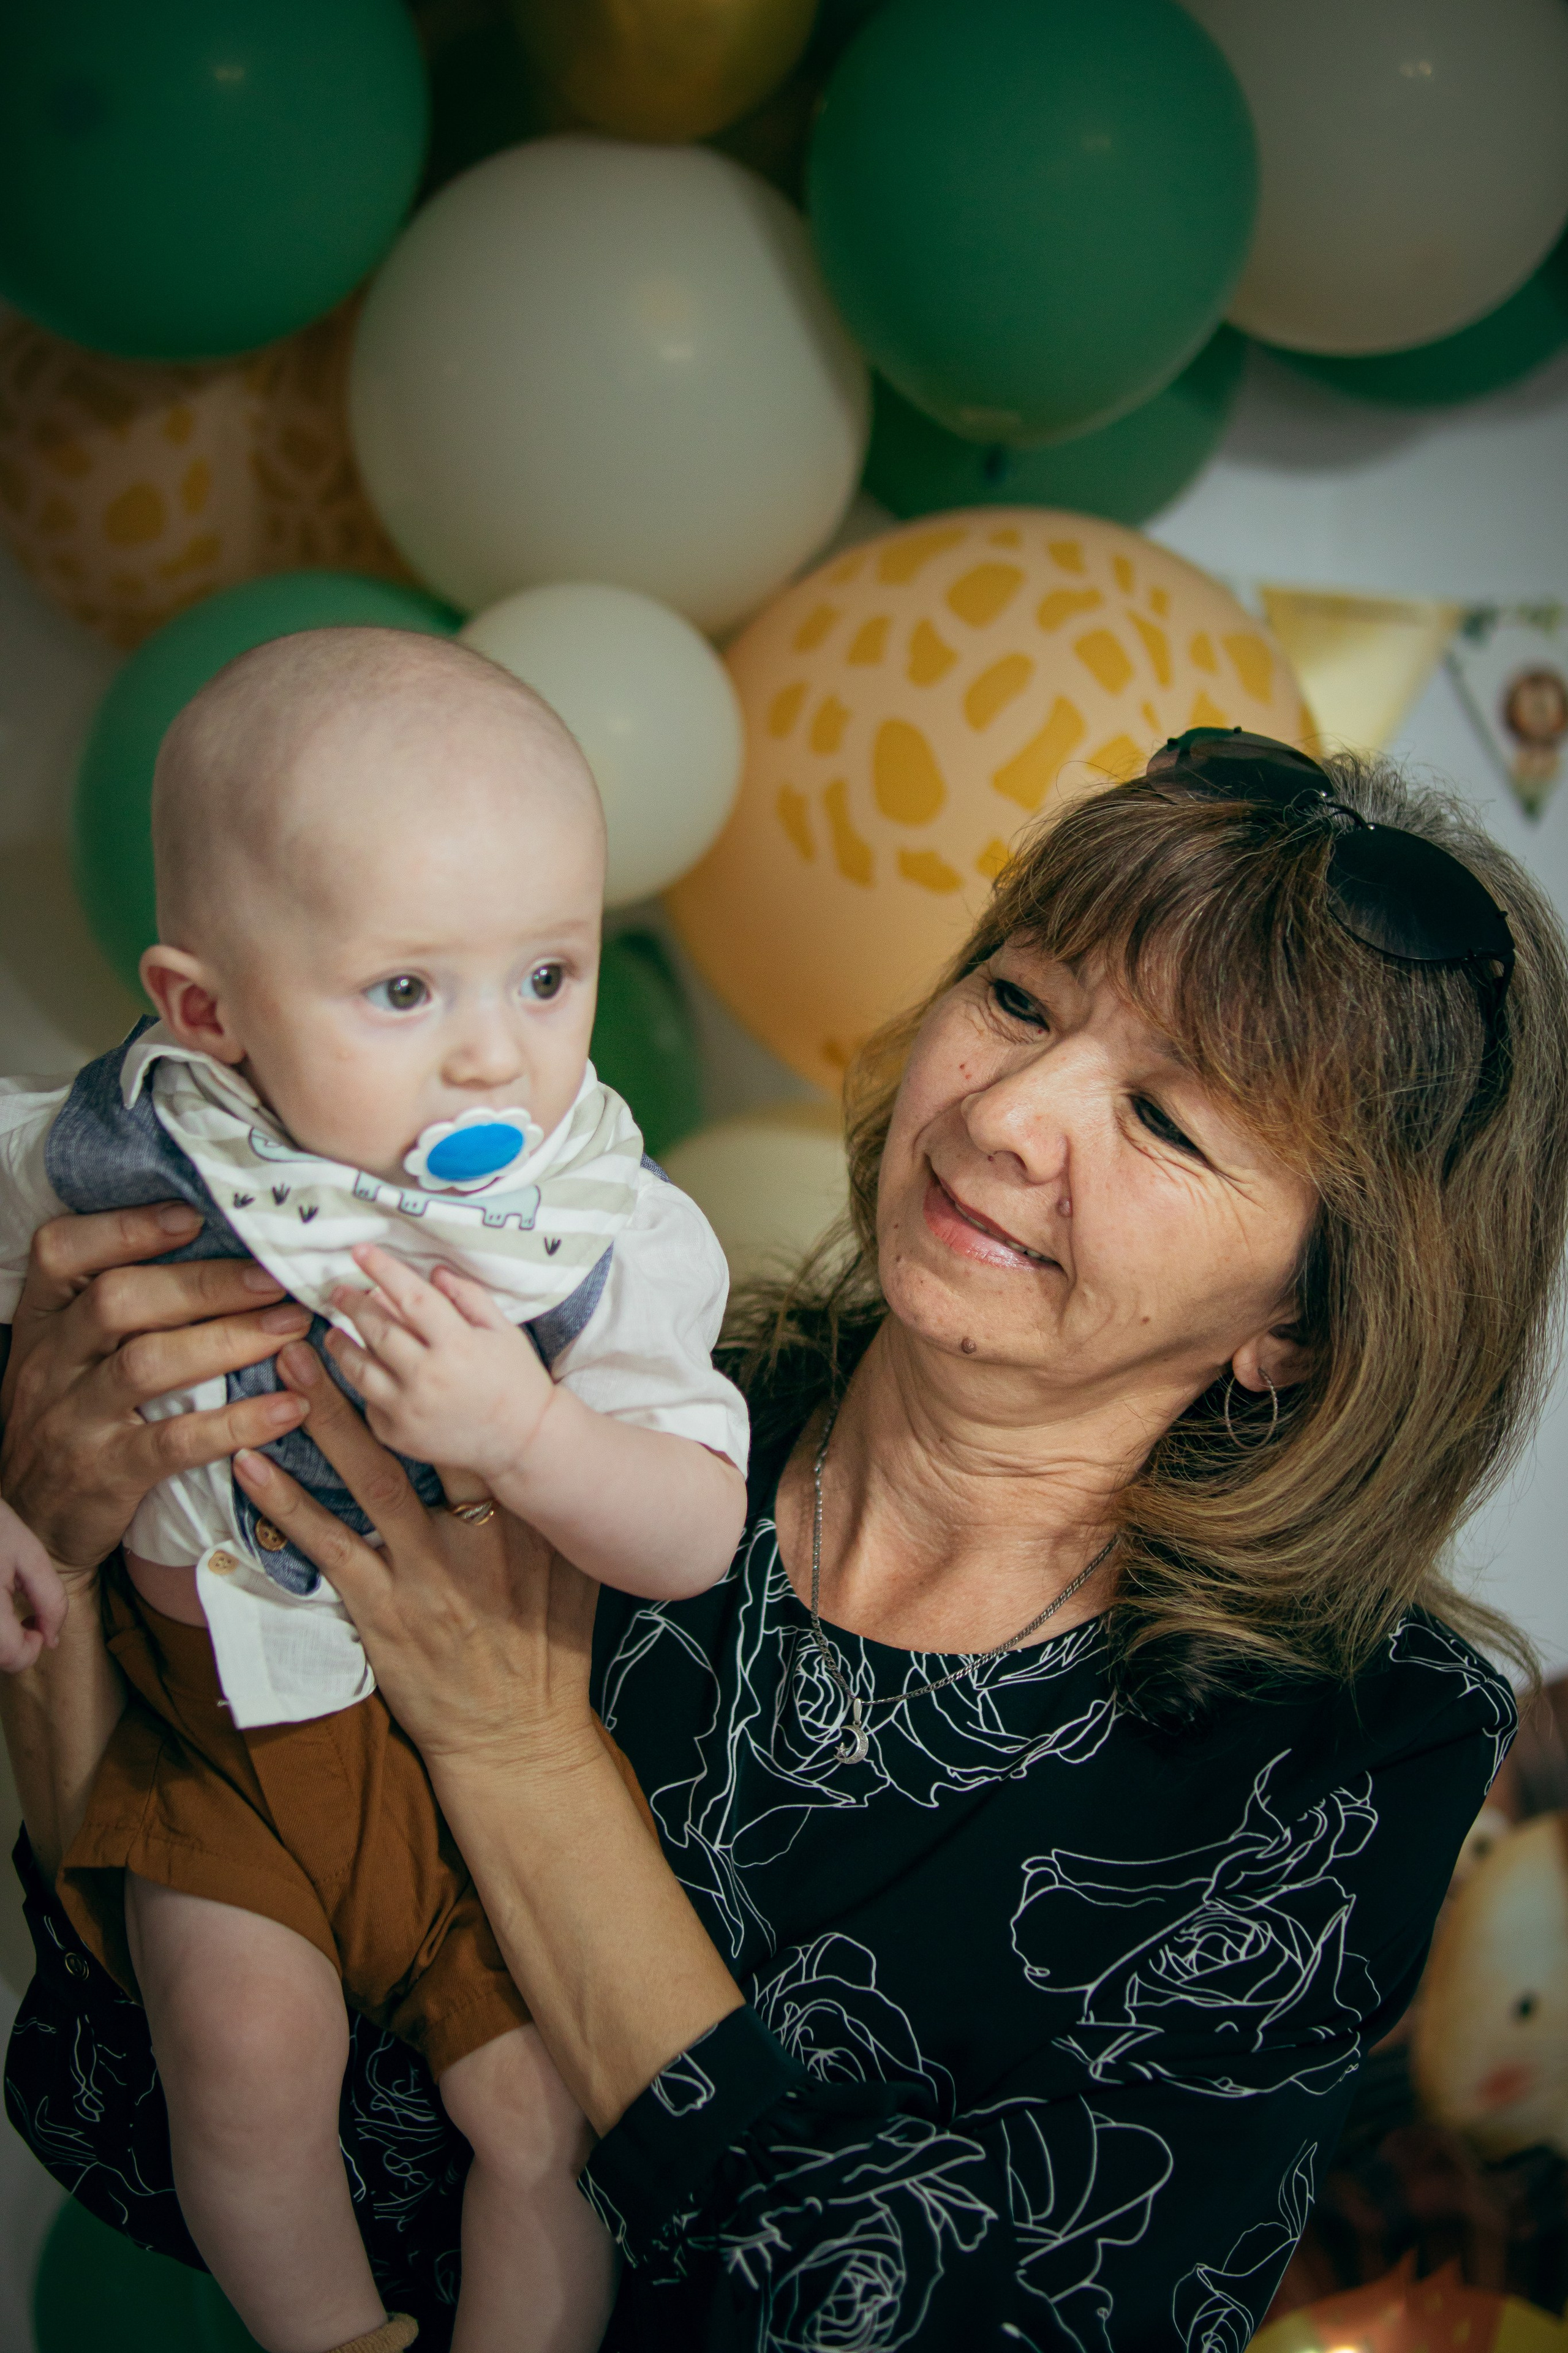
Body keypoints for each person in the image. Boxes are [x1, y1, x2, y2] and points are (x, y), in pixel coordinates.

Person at [5, 731, 1567, 2351]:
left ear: (1304, 1325)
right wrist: (60, 1546)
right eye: (1019, 999)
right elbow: (139, 2104)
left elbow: (918, 2322)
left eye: (1166, 1119)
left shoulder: (1351, 1744)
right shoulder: (607, 1412)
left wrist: (520, 1754)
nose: (1010, 1112)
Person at [0, 627, 748, 2353]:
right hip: (210, 1755)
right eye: (408, 991)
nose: (495, 1056)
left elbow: (699, 1529)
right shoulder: (140, 1137)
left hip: (456, 1780)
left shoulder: (597, 1227)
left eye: (546, 976)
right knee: (245, 2066)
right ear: (208, 1009)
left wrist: (535, 1438)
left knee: (541, 2125)